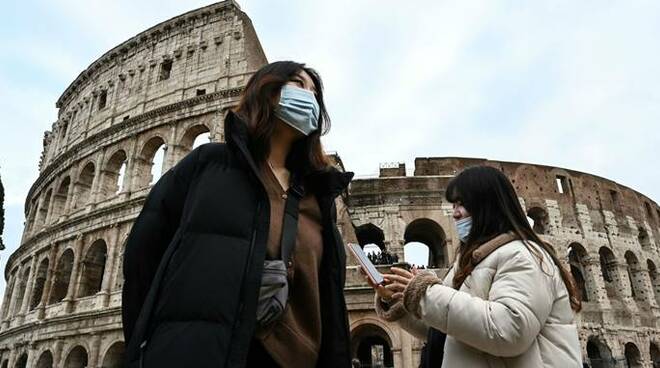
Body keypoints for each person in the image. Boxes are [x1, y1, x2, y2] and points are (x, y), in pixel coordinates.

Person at [122, 61, 355, 368]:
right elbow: (142, 257)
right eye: (299, 85)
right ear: (267, 89)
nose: (309, 97)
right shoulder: (208, 165)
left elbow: (328, 300)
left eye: (315, 94)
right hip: (202, 352)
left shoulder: (318, 197)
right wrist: (150, 347)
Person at [365, 166, 583, 367]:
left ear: (488, 204)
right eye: (454, 205)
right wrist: (402, 301)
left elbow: (509, 330)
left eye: (462, 203)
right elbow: (446, 330)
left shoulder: (523, 255)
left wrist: (426, 294)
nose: (456, 212)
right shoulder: (469, 262)